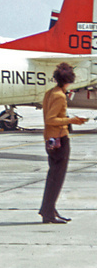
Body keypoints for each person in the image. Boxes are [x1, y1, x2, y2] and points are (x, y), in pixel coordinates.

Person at [39, 62, 88, 224]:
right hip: (60, 140)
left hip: (50, 140)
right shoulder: (60, 96)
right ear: (69, 81)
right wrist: (72, 120)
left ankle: (48, 209)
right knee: (57, 177)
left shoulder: (50, 93)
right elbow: (51, 119)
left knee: (52, 176)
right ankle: (48, 213)